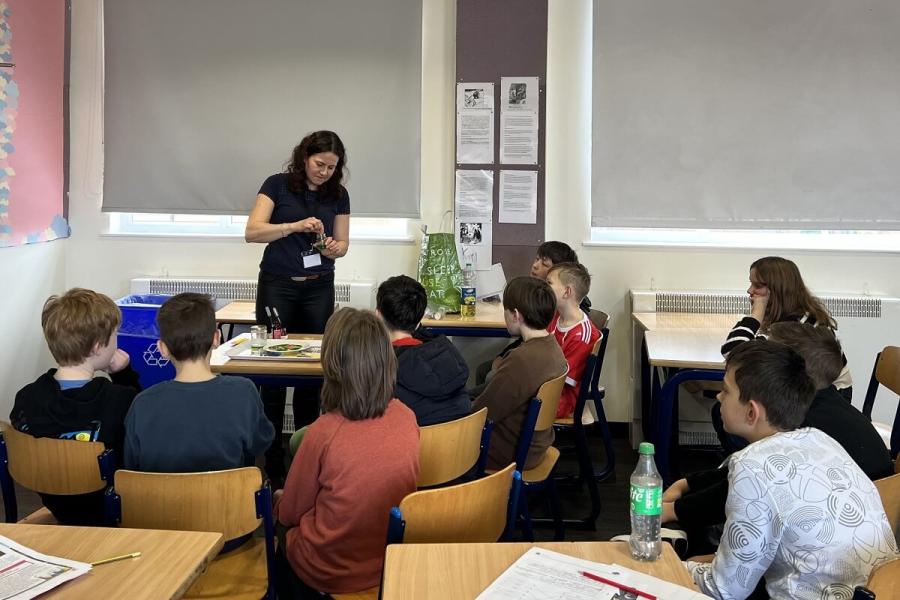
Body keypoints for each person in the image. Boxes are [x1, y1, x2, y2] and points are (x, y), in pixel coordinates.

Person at [684, 341, 898, 599]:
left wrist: (679, 566)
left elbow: (726, 589)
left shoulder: (751, 467)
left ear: (751, 412)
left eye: (726, 391)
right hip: (884, 589)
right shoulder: (821, 440)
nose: (719, 397)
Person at [275, 308, 419, 598]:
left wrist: (278, 501)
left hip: (327, 572)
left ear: (331, 364)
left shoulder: (322, 433)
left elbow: (291, 513)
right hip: (389, 560)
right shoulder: (407, 417)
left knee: (279, 521)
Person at [244, 130, 350, 485]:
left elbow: (344, 244)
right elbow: (253, 232)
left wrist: (334, 247)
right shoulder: (277, 185)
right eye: (320, 164)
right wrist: (292, 227)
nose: (325, 172)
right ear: (305, 157)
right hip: (278, 286)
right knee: (271, 368)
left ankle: (304, 455)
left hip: (319, 287)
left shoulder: (339, 195)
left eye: (332, 167)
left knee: (312, 373)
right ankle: (272, 461)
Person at [10, 288, 140, 525]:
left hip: (54, 503)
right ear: (98, 347)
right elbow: (143, 422)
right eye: (115, 335)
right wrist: (124, 375)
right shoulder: (119, 399)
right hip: (110, 509)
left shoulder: (26, 397)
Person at [714, 256, 851, 454]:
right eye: (750, 283)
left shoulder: (800, 326)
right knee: (726, 408)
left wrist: (756, 314)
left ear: (778, 290)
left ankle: (754, 461)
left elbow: (736, 354)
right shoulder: (784, 318)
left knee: (735, 414)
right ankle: (741, 462)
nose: (750, 291)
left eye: (757, 285)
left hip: (824, 397)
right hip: (800, 389)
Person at [124, 293, 274, 472]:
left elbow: (131, 464)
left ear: (162, 349)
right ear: (217, 338)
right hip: (228, 498)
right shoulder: (244, 391)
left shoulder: (142, 403)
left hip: (161, 499)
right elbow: (259, 444)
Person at [471, 277, 568, 471]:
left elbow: (483, 412)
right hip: (536, 444)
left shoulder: (522, 359)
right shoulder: (552, 346)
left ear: (516, 315)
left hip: (510, 451)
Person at [474, 240, 591, 386]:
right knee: (488, 374)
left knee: (492, 378)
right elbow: (530, 340)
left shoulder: (573, 325)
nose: (535, 265)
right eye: (536, 259)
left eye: (545, 264)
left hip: (546, 388)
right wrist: (504, 356)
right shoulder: (558, 315)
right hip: (537, 369)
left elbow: (560, 378)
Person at [376, 275, 470, 426]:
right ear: (420, 320)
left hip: (412, 448)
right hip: (460, 446)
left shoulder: (380, 370)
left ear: (378, 315)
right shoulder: (449, 358)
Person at [546, 263, 601, 419]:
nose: (544, 288)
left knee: (508, 401)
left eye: (549, 283)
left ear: (567, 291)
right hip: (547, 389)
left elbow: (559, 380)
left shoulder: (581, 336)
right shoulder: (556, 316)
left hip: (560, 400)